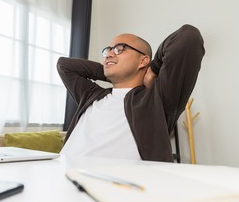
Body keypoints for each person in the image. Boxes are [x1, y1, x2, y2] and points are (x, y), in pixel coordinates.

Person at [57, 24, 205, 162]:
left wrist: (152, 70)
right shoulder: (92, 95)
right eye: (108, 50)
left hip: (109, 185)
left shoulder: (156, 99)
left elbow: (188, 37)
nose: (108, 54)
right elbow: (64, 65)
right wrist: (112, 73)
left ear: (143, 61)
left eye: (119, 48)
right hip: (59, 174)